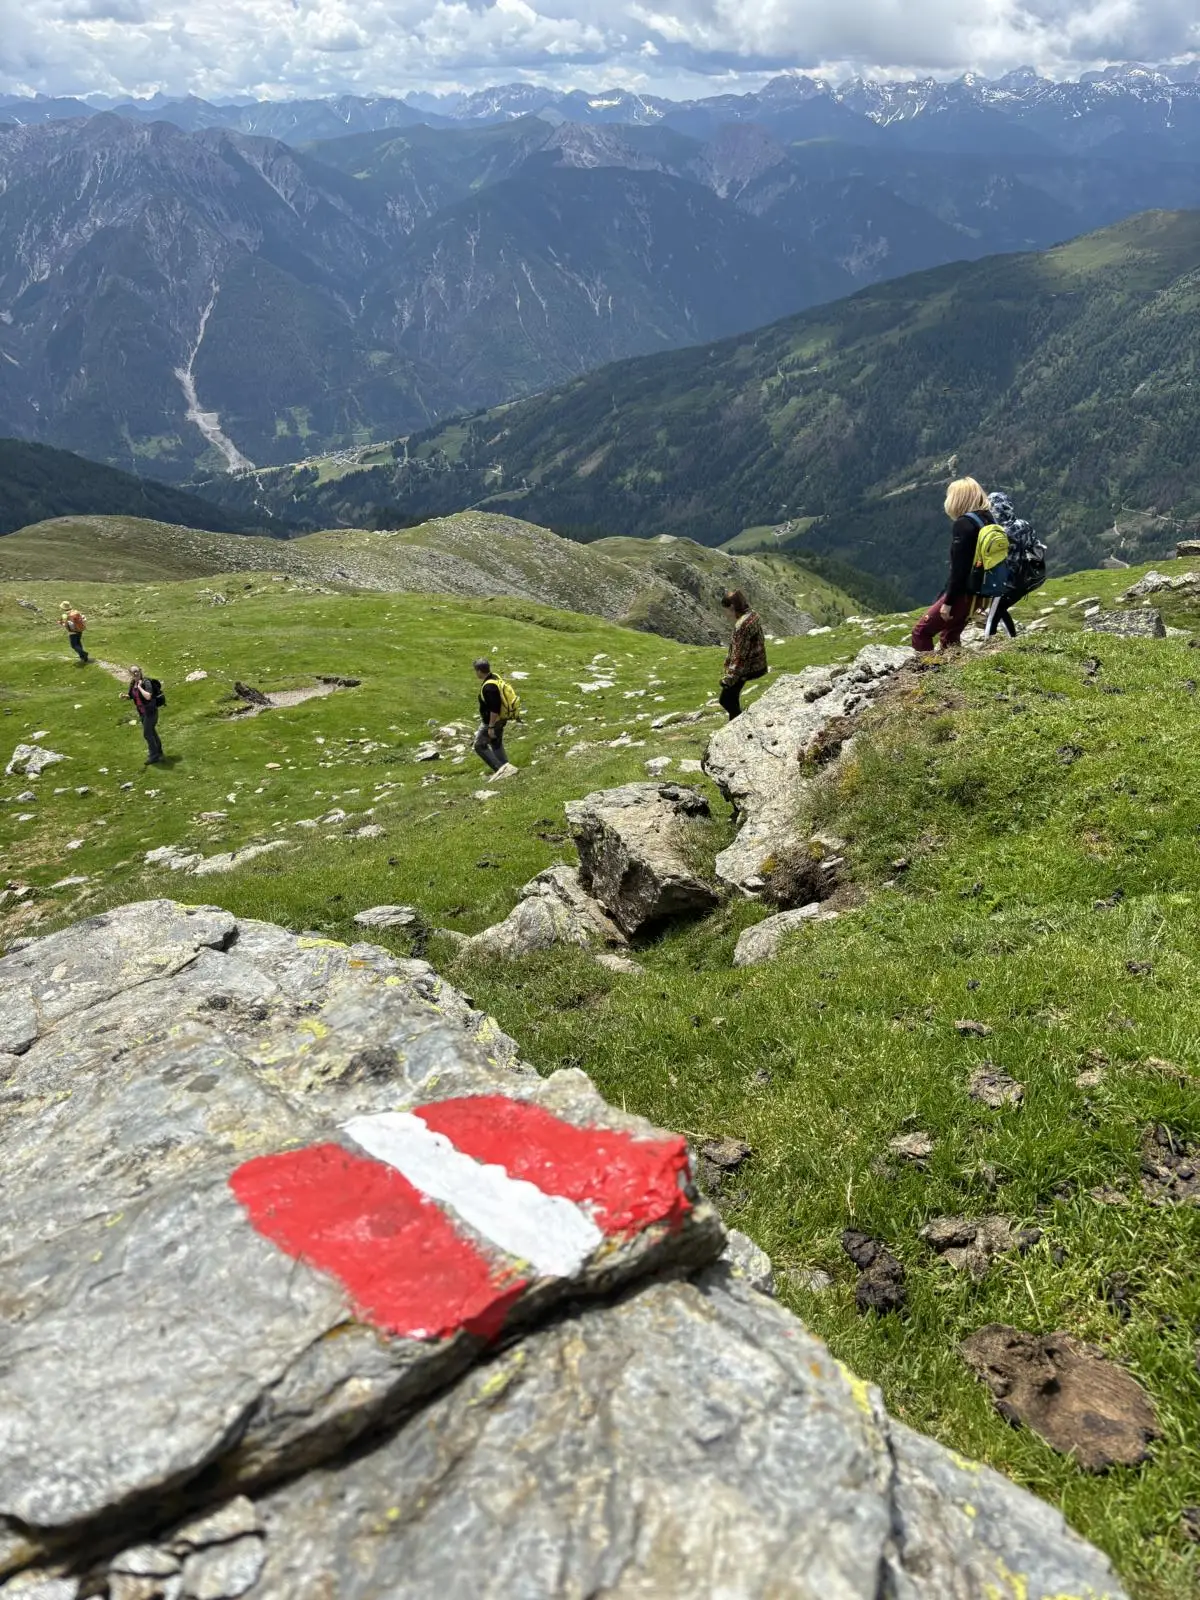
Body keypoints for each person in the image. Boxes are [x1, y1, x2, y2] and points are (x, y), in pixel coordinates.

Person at [911, 478, 991, 653]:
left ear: (957, 499)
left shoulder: (964, 524)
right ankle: (955, 668)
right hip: (981, 593)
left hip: (962, 593)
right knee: (950, 636)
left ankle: (929, 668)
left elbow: (960, 569)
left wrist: (948, 602)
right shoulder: (987, 519)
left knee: (921, 632)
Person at [981, 490, 1045, 639]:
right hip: (1026, 579)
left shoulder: (998, 532)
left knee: (992, 617)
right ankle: (1013, 639)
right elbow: (1037, 548)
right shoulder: (1024, 524)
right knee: (1000, 609)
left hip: (1006, 582)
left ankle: (987, 644)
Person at [719, 589, 767, 719]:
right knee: (732, 699)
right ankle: (734, 724)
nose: (725, 614)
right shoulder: (753, 615)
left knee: (725, 700)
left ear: (732, 607)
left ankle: (741, 724)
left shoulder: (741, 626)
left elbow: (740, 655)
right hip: (756, 664)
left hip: (745, 669)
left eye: (726, 610)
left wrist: (730, 678)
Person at [472, 659, 517, 777]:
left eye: (476, 671)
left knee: (479, 746)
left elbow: (494, 709)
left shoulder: (489, 687)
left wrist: (491, 727)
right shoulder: (495, 678)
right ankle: (507, 768)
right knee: (496, 744)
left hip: (493, 722)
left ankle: (501, 771)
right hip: (501, 719)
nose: (475, 673)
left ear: (479, 671)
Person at [126, 666, 164, 764]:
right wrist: (125, 696)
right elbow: (131, 695)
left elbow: (148, 696)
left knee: (147, 734)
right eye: (133, 672)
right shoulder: (133, 683)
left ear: (140, 671)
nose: (136, 673)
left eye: (137, 671)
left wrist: (139, 687)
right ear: (130, 674)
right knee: (152, 732)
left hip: (151, 712)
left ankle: (154, 756)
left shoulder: (146, 682)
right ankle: (158, 751)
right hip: (142, 713)